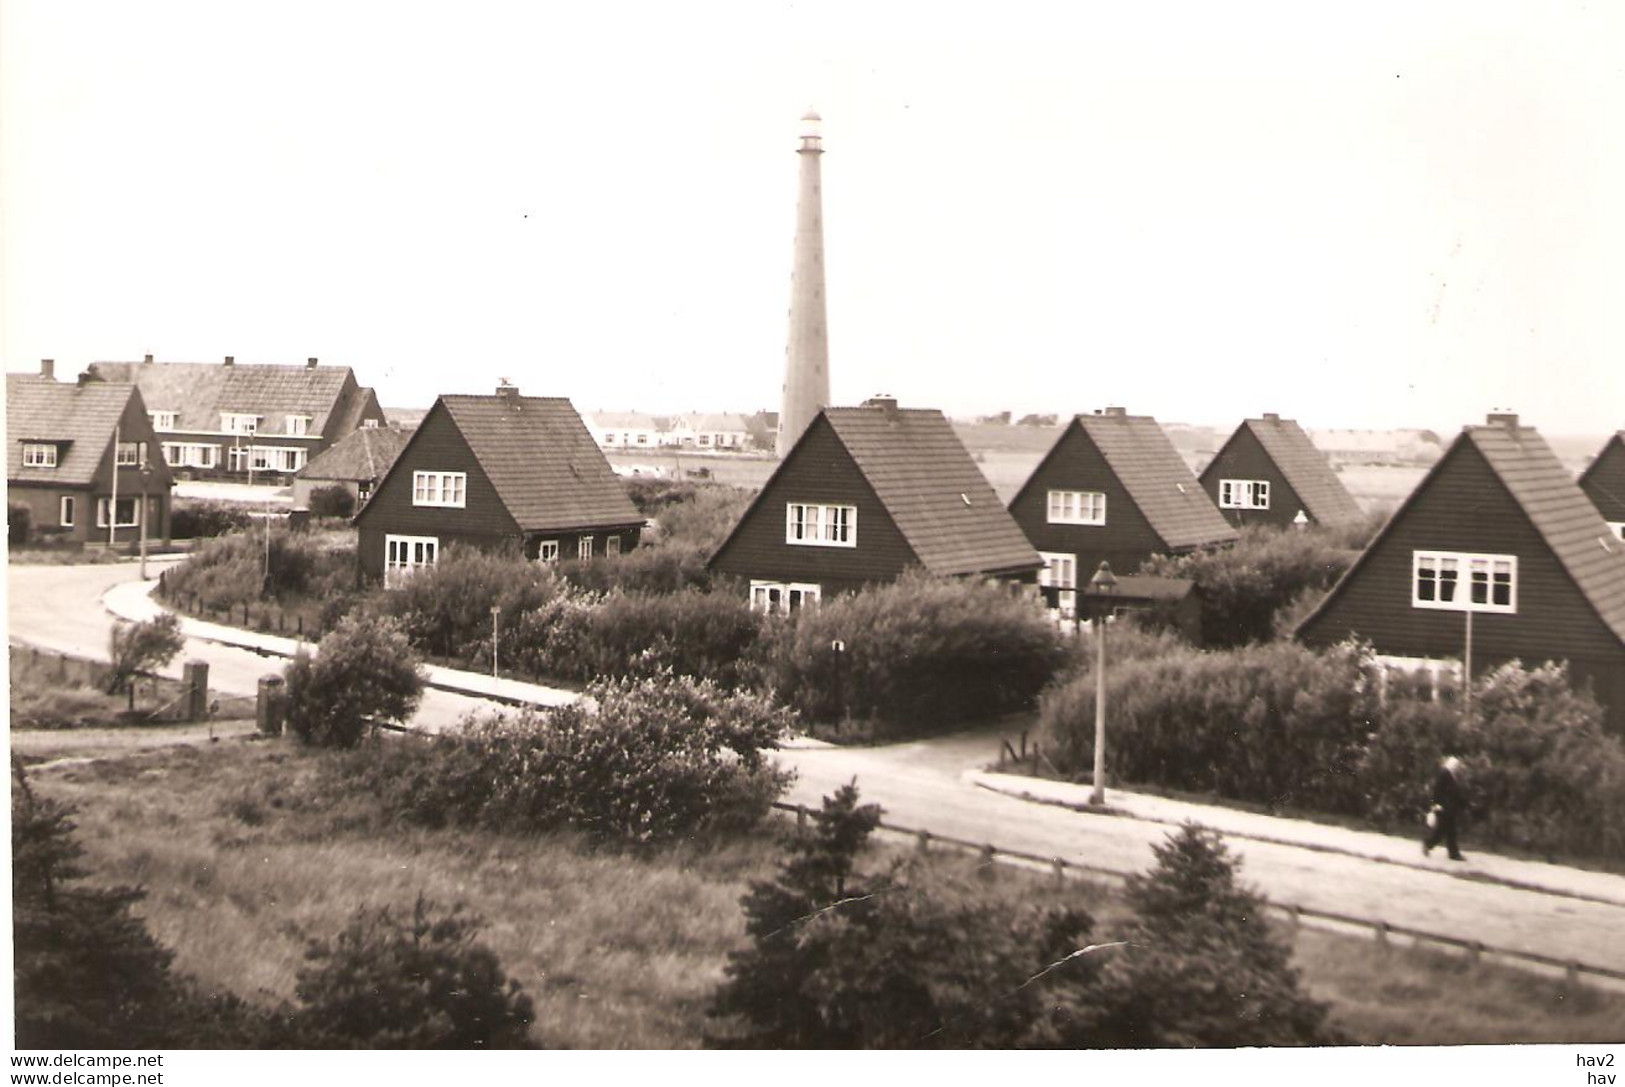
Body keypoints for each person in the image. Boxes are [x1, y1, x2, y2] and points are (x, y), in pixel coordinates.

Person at [1422, 755, 1467, 861]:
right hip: (1443, 807)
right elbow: (1436, 790)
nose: (1458, 767)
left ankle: (1452, 852)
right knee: (1443, 831)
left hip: (1448, 807)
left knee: (1449, 830)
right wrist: (1435, 804)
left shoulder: (1450, 774)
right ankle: (1429, 844)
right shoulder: (1444, 773)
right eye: (1457, 765)